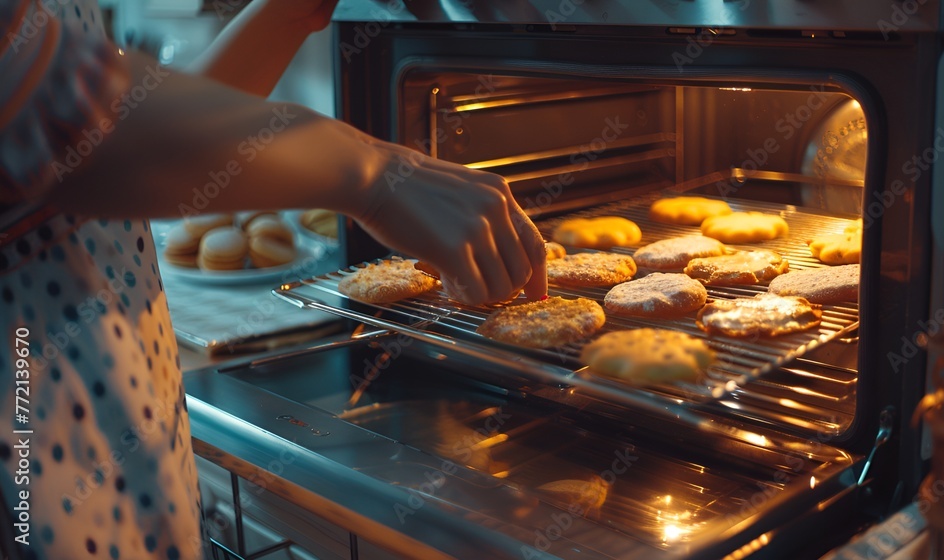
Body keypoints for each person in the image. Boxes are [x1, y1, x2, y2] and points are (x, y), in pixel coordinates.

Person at [0, 1, 547, 558]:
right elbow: (58, 115)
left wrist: (285, 14)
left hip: (118, 402)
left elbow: (150, 126)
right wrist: (373, 170)